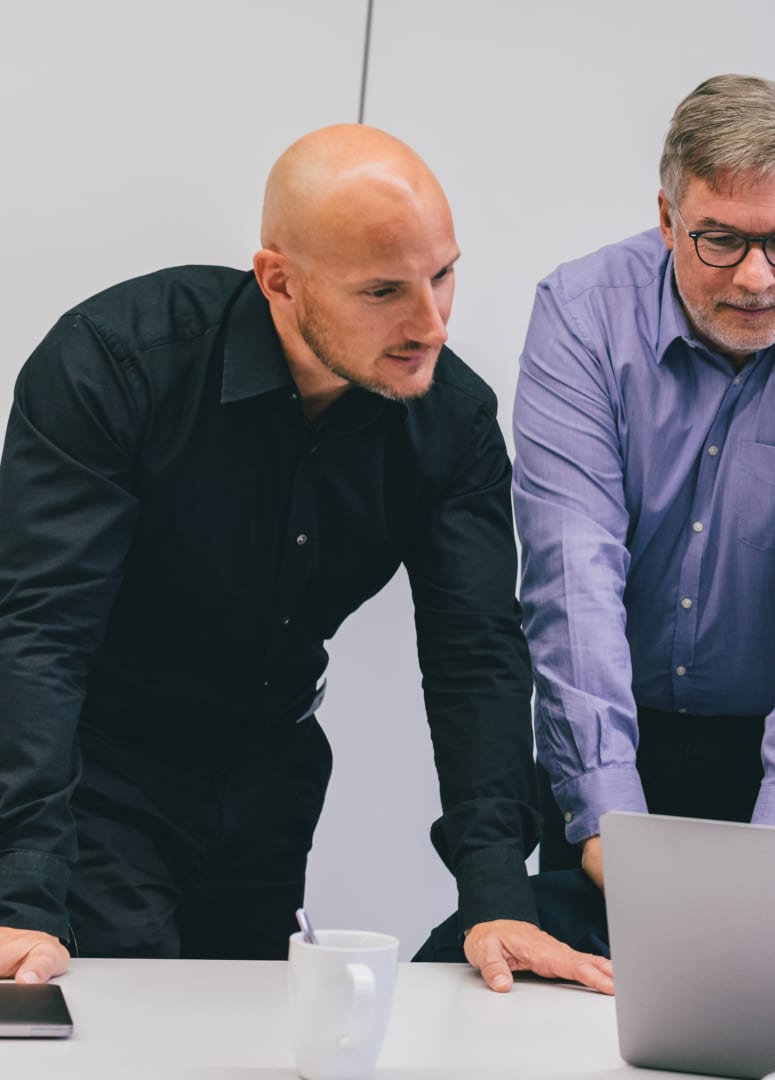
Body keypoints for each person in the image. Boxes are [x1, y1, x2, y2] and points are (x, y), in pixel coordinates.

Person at [0, 125, 610, 995]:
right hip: (103, 773)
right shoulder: (117, 365)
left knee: (249, 1027)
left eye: (443, 275)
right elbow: (39, 634)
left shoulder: (452, 421)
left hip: (271, 775)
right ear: (279, 281)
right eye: (384, 291)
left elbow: (474, 654)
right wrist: (21, 891)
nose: (431, 323)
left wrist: (497, 898)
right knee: (129, 1013)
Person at [416, 75, 775, 959]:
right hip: (608, 728)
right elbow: (574, 577)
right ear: (666, 219)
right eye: (720, 239)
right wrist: (612, 827)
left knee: (766, 1004)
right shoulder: (582, 313)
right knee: (565, 994)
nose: (756, 277)